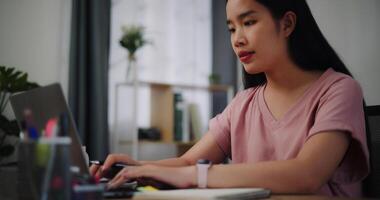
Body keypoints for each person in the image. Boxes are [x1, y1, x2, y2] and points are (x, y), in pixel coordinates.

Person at [91, 0, 369, 197]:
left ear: (286, 24)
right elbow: (189, 163)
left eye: (248, 22)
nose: (237, 39)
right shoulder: (243, 103)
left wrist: (196, 176)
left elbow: (306, 175)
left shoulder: (340, 89)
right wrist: (137, 168)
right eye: (232, 28)